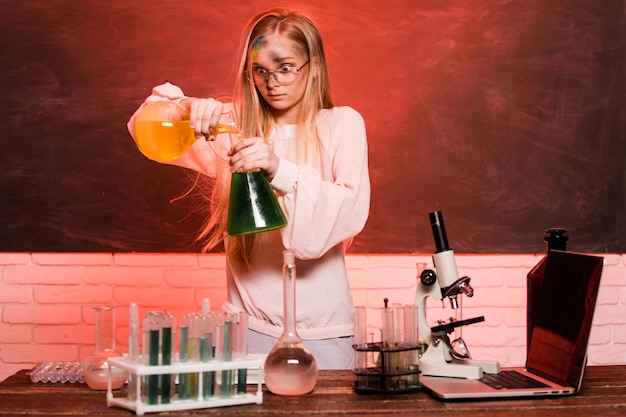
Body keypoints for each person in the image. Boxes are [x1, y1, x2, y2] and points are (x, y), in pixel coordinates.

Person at [127, 8, 370, 369]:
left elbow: (346, 211)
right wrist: (186, 108)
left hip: (327, 333)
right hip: (249, 331)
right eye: (260, 71)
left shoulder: (341, 124)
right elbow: (140, 127)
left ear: (314, 66)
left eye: (285, 67)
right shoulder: (233, 127)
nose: (272, 82)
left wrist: (277, 168)